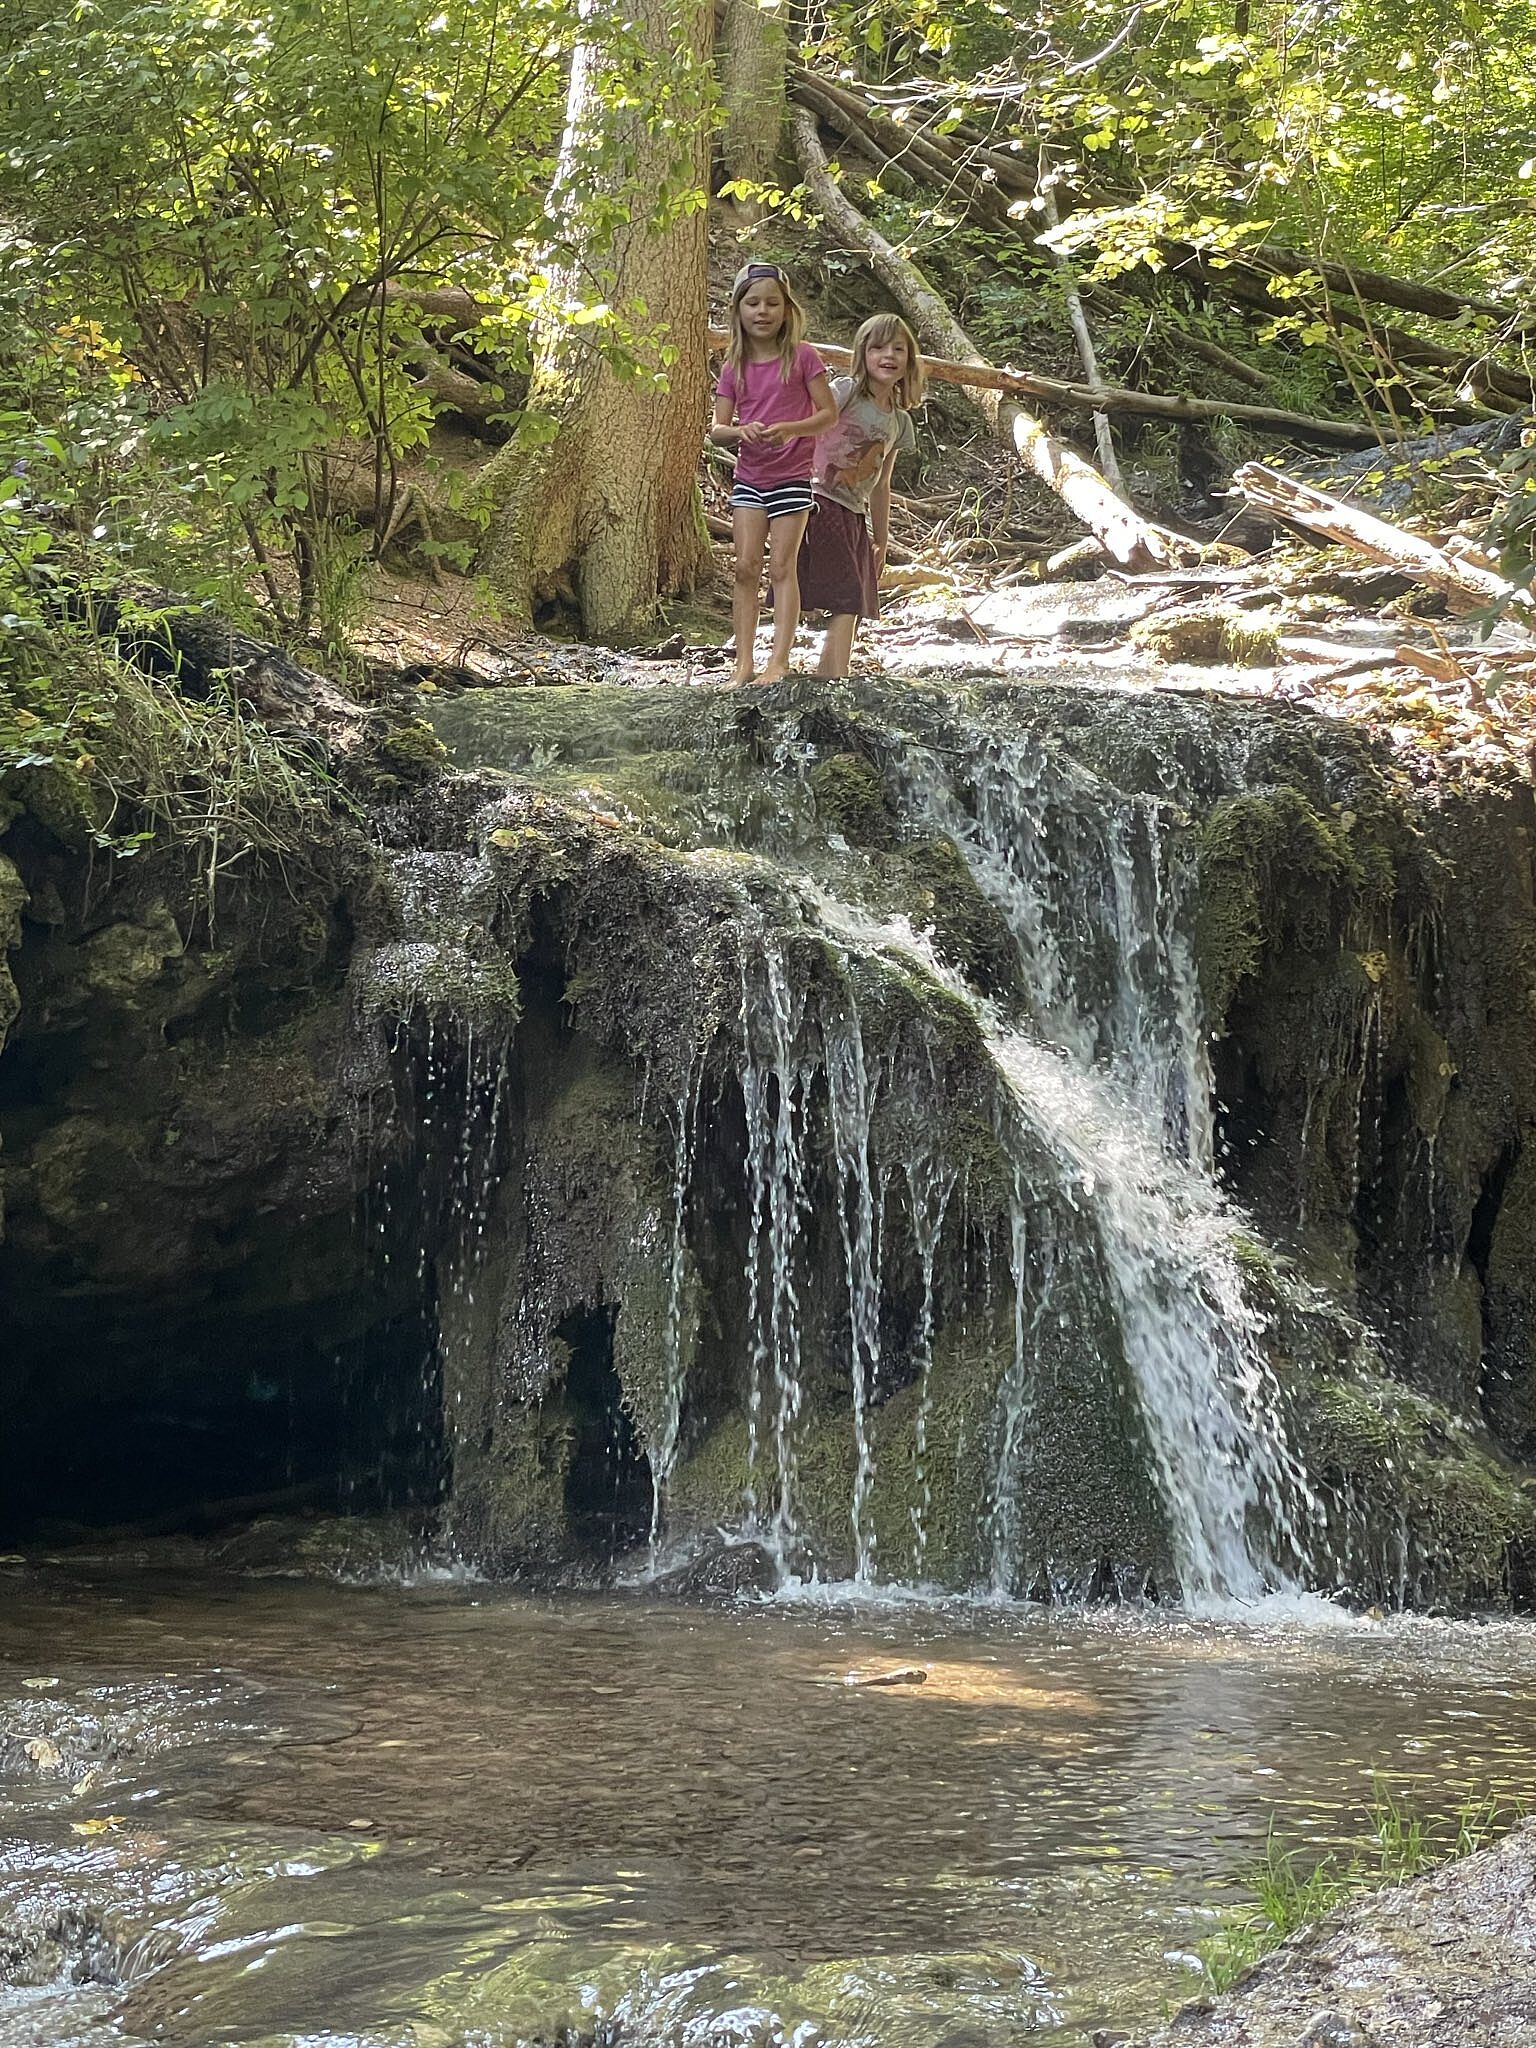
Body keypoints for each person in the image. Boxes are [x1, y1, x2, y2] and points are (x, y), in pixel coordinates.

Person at [711, 263, 838, 685]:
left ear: (787, 310)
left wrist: (791, 429)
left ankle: (778, 661)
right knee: (746, 567)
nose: (762, 312)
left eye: (771, 303)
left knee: (782, 567)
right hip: (750, 477)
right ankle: (743, 663)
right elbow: (717, 429)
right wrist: (740, 431)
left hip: (792, 477)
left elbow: (828, 414)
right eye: (752, 303)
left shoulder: (803, 356)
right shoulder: (734, 366)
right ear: (738, 309)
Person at [798, 313, 925, 679]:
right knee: (847, 593)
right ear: (862, 354)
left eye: (898, 349)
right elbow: (807, 426)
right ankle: (827, 675)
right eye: (878, 348)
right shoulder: (846, 391)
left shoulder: (899, 422)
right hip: (818, 499)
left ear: (909, 360)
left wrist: (881, 537)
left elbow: (882, 484)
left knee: (857, 597)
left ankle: (832, 671)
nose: (889, 356)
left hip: (854, 512)